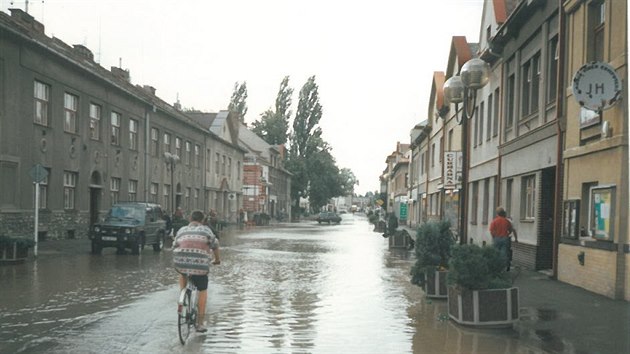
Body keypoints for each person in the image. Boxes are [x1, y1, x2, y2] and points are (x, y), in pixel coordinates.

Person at [172, 210, 221, 333]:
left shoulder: (182, 230)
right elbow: (215, 245)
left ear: (190, 219)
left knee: (182, 272)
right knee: (202, 290)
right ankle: (200, 323)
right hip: (200, 265)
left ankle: (183, 294)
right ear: (203, 220)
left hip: (180, 263)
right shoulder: (206, 230)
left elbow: (174, 245)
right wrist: (217, 260)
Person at [489, 207, 518, 271]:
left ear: (497, 213)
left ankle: (497, 266)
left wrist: (494, 237)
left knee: (496, 252)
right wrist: (508, 234)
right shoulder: (507, 221)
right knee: (505, 253)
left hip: (497, 238)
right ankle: (506, 266)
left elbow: (491, 231)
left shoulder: (494, 221)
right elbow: (510, 230)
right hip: (505, 238)